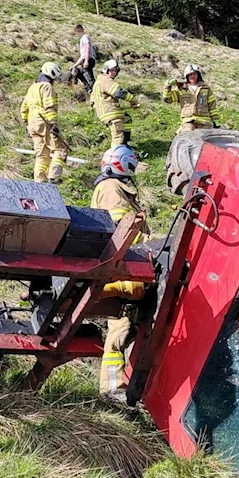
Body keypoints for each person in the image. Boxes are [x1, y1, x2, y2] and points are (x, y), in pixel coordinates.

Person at [90, 144, 149, 399]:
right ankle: (111, 388)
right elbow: (122, 230)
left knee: (127, 328)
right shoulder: (112, 189)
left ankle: (124, 386)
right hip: (123, 268)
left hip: (127, 268)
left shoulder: (117, 187)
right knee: (120, 329)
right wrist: (151, 247)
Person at [19, 62, 70, 183]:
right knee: (61, 149)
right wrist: (54, 124)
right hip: (44, 122)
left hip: (32, 124)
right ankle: (53, 177)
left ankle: (39, 181)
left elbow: (23, 109)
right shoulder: (47, 87)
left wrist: (27, 123)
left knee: (42, 154)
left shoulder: (32, 87)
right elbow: (49, 107)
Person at [91, 59, 135, 149]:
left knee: (127, 119)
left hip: (106, 112)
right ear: (106, 70)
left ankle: (125, 145)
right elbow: (118, 92)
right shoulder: (106, 80)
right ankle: (116, 156)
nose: (114, 73)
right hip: (111, 113)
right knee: (117, 135)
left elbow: (92, 101)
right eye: (112, 70)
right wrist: (132, 100)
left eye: (115, 71)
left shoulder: (98, 82)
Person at [165, 64, 219, 133]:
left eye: (194, 74)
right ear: (186, 76)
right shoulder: (181, 89)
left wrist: (216, 121)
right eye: (190, 75)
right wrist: (167, 86)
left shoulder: (206, 88)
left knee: (205, 140)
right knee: (187, 134)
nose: (192, 76)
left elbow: (212, 106)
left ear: (198, 75)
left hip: (205, 122)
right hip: (188, 121)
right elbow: (168, 99)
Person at [73, 24, 97, 93]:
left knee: (89, 77)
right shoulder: (82, 39)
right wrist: (74, 65)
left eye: (79, 31)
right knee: (78, 71)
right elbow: (82, 56)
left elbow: (88, 48)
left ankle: (94, 91)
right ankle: (88, 88)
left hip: (89, 59)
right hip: (85, 59)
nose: (78, 33)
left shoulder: (85, 37)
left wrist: (86, 61)